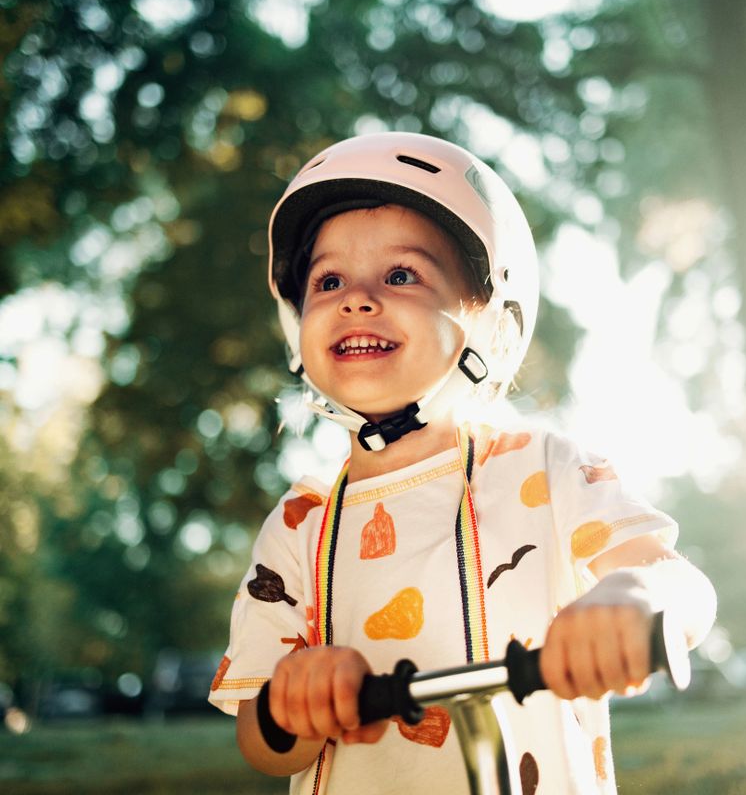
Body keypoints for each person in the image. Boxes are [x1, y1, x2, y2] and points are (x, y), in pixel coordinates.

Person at [208, 132, 716, 794]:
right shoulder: (300, 523)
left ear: (492, 328)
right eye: (328, 281)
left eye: (401, 275)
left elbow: (682, 585)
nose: (356, 298)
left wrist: (637, 597)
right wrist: (289, 702)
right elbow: (261, 744)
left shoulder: (548, 471)